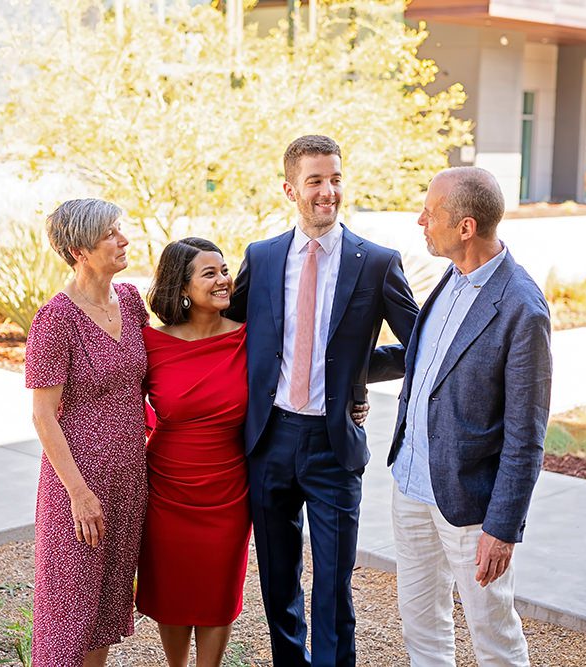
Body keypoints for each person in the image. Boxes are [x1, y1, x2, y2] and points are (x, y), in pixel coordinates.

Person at [227, 134, 419, 666]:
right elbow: (228, 333)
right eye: (315, 181)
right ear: (290, 189)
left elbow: (421, 344)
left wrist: (357, 377)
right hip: (269, 440)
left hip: (334, 445)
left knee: (334, 585)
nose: (327, 192)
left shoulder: (377, 262)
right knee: (278, 581)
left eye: (335, 179)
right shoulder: (262, 258)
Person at [387, 167, 552, 667]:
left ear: (465, 227)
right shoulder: (451, 277)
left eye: (430, 212)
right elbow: (428, 369)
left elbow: (526, 435)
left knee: (493, 633)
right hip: (411, 484)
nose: (420, 220)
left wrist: (502, 527)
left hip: (471, 506)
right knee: (421, 624)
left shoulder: (522, 307)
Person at [25, 199, 149, 667]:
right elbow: (42, 415)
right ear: (79, 249)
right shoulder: (56, 319)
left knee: (103, 609)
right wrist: (78, 492)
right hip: (78, 486)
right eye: (111, 235)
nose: (124, 241)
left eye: (121, 231)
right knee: (67, 613)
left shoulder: (132, 301)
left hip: (129, 480)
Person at [137, 237, 250, 667]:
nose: (224, 280)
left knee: (218, 591)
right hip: (166, 487)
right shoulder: (152, 343)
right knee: (173, 589)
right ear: (182, 288)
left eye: (224, 270)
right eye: (210, 274)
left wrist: (355, 400)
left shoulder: (249, 338)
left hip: (229, 488)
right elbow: (126, 405)